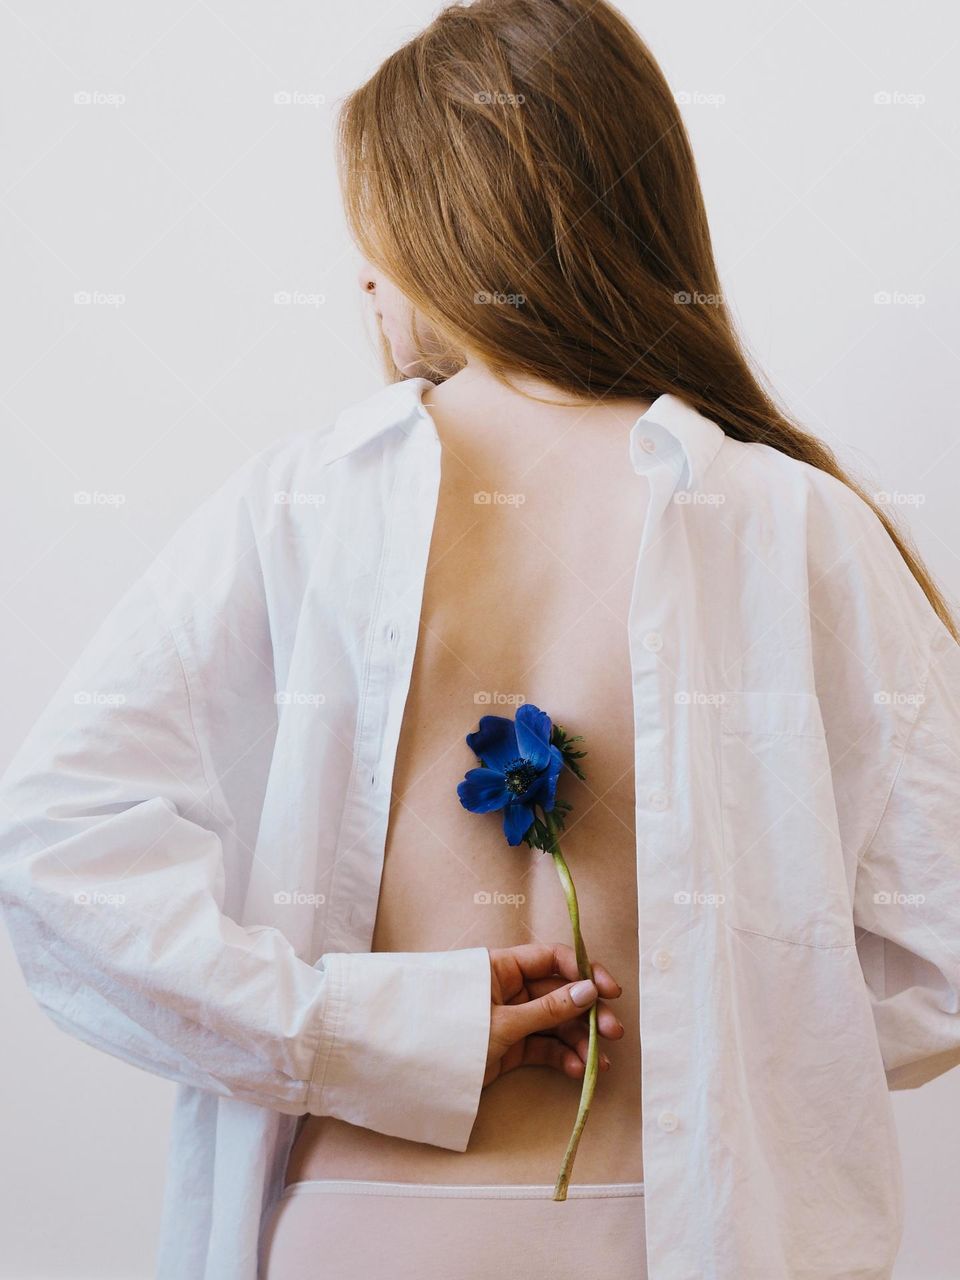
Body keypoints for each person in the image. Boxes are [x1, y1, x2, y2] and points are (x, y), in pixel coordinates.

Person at [2, 1, 960, 1278]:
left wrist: (359, 1028)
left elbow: (58, 855)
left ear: (446, 242)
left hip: (356, 1228)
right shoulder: (796, 523)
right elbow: (938, 943)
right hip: (679, 1231)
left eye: (377, 242)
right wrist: (741, 1027)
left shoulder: (303, 502)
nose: (363, 283)